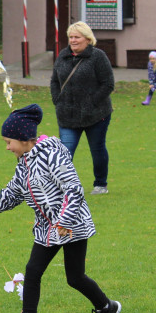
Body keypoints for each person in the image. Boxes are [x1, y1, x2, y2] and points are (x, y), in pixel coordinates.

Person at [0, 104, 120, 313]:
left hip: (71, 225)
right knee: (33, 271)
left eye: (9, 141)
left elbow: (74, 188)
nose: (7, 147)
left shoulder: (53, 155)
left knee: (75, 277)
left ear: (24, 139)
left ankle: (107, 308)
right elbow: (12, 193)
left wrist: (66, 219)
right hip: (47, 228)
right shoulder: (24, 163)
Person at [49, 21, 114, 195]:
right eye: (71, 37)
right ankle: (63, 186)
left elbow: (108, 84)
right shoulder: (63, 56)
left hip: (96, 115)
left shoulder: (98, 56)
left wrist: (91, 102)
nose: (73, 40)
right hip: (67, 115)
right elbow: (55, 81)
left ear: (87, 39)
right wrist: (57, 99)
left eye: (77, 37)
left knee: (97, 148)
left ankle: (100, 184)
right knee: (65, 151)